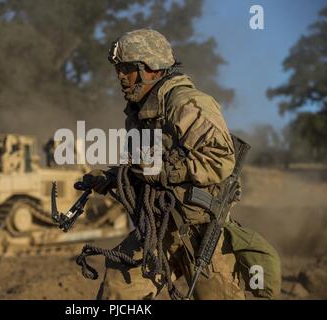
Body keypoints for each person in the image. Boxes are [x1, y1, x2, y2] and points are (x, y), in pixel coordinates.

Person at [79, 29, 279, 300]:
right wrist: (111, 177)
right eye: (118, 69)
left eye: (127, 68)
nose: (120, 76)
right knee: (117, 289)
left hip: (200, 230)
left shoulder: (186, 104)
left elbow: (221, 159)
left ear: (150, 68)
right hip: (157, 231)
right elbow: (141, 166)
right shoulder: (139, 114)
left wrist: (167, 171)